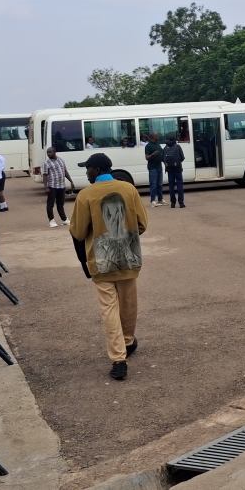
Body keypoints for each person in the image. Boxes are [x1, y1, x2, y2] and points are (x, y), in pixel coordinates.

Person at [68, 153, 148, 380]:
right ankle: (129, 342)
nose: (86, 172)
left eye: (88, 169)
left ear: (96, 169)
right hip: (130, 258)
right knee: (129, 302)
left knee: (109, 308)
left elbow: (78, 231)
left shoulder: (86, 195)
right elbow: (142, 224)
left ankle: (118, 359)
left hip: (100, 262)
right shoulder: (129, 189)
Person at [42, 147, 74, 227]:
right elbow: (45, 175)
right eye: (47, 153)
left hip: (61, 185)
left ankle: (64, 219)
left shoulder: (61, 160)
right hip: (52, 186)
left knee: (60, 204)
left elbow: (65, 171)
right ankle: (51, 220)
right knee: (50, 204)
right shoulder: (46, 163)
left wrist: (71, 181)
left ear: (55, 152)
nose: (49, 154)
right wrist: (46, 187)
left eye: (50, 152)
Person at [162, 134, 186, 208]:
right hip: (178, 169)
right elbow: (182, 157)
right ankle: (181, 203)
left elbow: (162, 158)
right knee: (179, 186)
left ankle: (173, 203)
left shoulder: (165, 147)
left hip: (169, 170)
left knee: (171, 187)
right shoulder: (178, 147)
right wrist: (177, 162)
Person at [143, 132, 166, 207]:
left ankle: (160, 199)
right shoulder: (148, 146)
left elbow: (161, 153)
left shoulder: (158, 144)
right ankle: (153, 200)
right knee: (153, 185)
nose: (158, 136)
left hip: (159, 166)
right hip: (153, 168)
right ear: (153, 137)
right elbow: (147, 157)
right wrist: (153, 154)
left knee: (160, 184)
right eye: (157, 135)